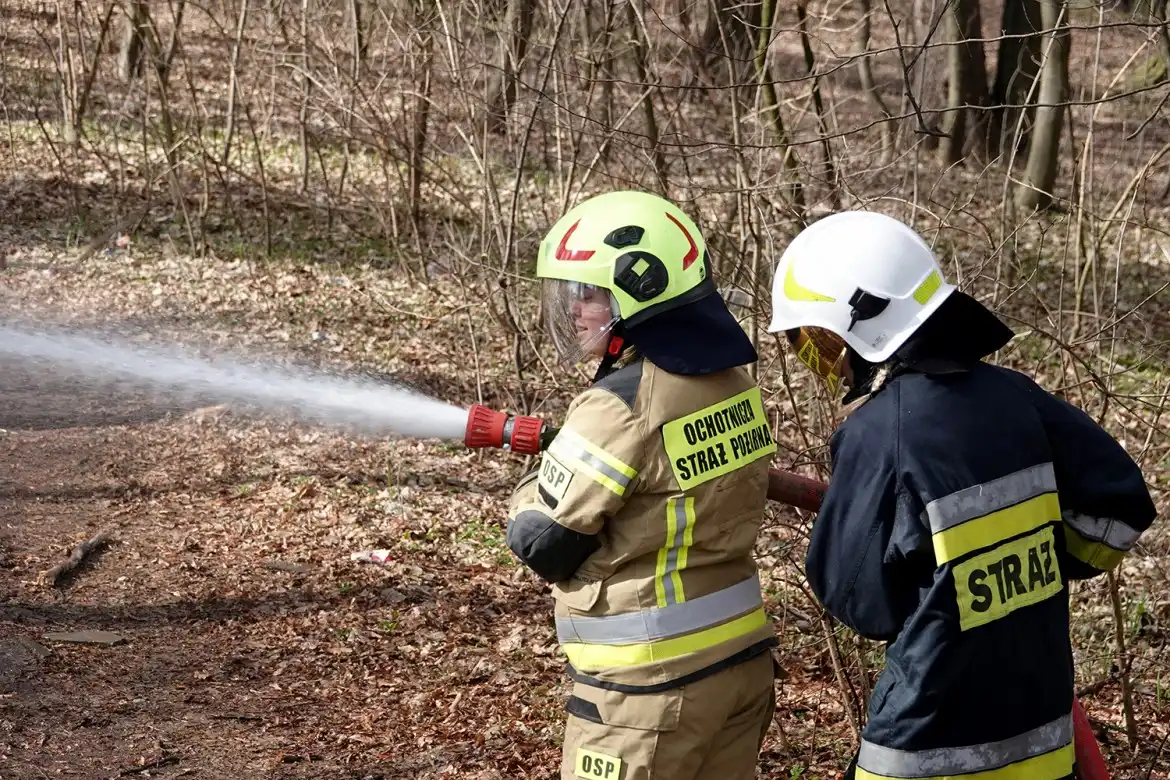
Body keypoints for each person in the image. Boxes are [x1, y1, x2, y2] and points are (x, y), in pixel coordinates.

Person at [767, 210, 1158, 780]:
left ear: (860, 326)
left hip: (925, 747)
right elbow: (1121, 505)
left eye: (817, 343)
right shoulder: (1016, 396)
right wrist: (1037, 564)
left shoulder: (877, 432)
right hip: (1042, 738)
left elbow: (859, 603)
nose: (818, 363)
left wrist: (935, 590)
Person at [504, 190, 780, 780]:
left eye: (588, 294)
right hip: (739, 668)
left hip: (646, 693)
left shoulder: (621, 404)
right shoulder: (733, 380)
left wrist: (531, 487)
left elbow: (544, 543)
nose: (575, 310)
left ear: (638, 296)